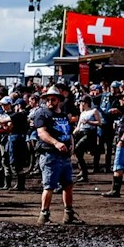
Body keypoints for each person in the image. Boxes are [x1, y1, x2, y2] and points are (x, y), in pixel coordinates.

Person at [31, 87, 80, 225]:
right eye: (48, 99)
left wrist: (72, 146)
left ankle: (69, 214)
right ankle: (44, 215)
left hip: (64, 156)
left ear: (59, 100)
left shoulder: (63, 115)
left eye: (53, 99)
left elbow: (69, 133)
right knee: (49, 186)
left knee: (68, 185)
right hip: (49, 154)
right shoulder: (42, 114)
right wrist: (56, 143)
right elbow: (41, 133)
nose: (50, 101)